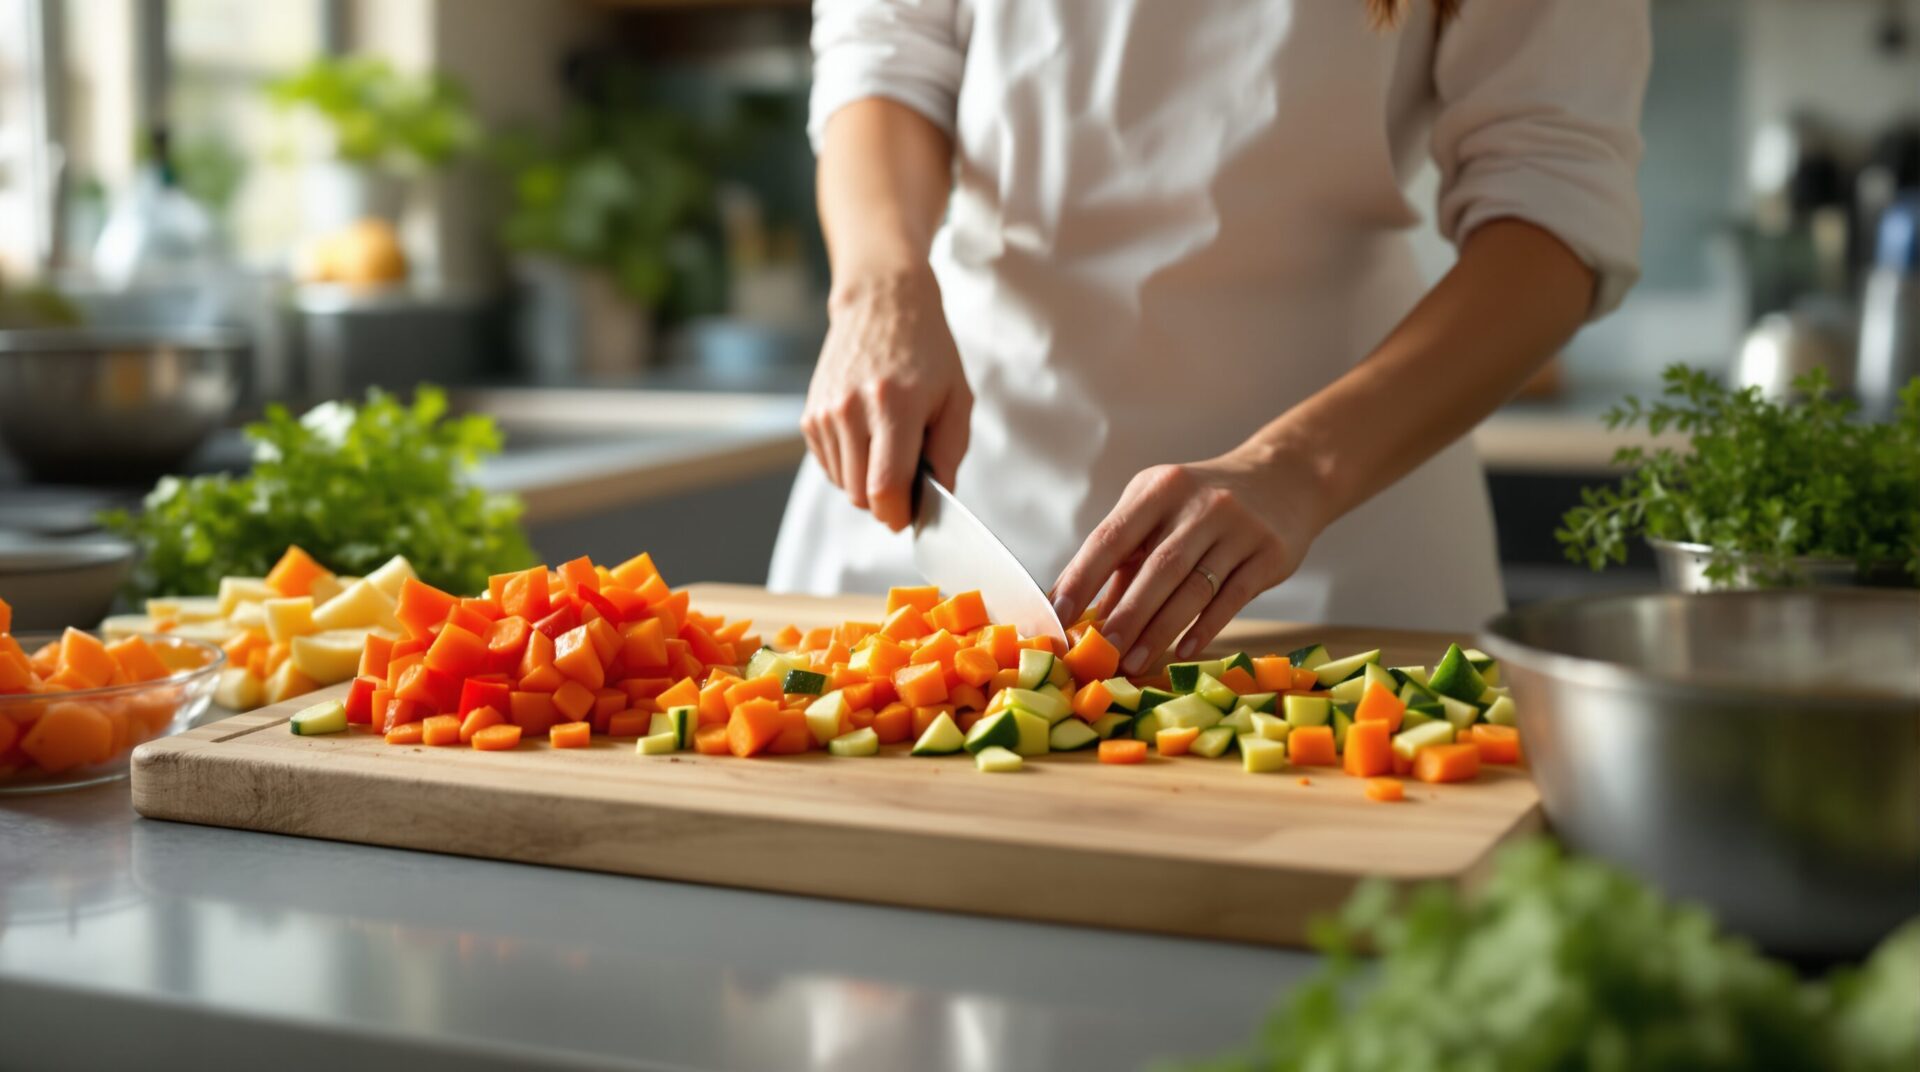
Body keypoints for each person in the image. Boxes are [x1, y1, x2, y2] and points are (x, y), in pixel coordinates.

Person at [770, 0, 1649, 676]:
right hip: (958, 477)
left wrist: (1301, 469)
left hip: (1341, 519)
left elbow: (1552, 206)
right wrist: (878, 291)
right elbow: (885, 57)